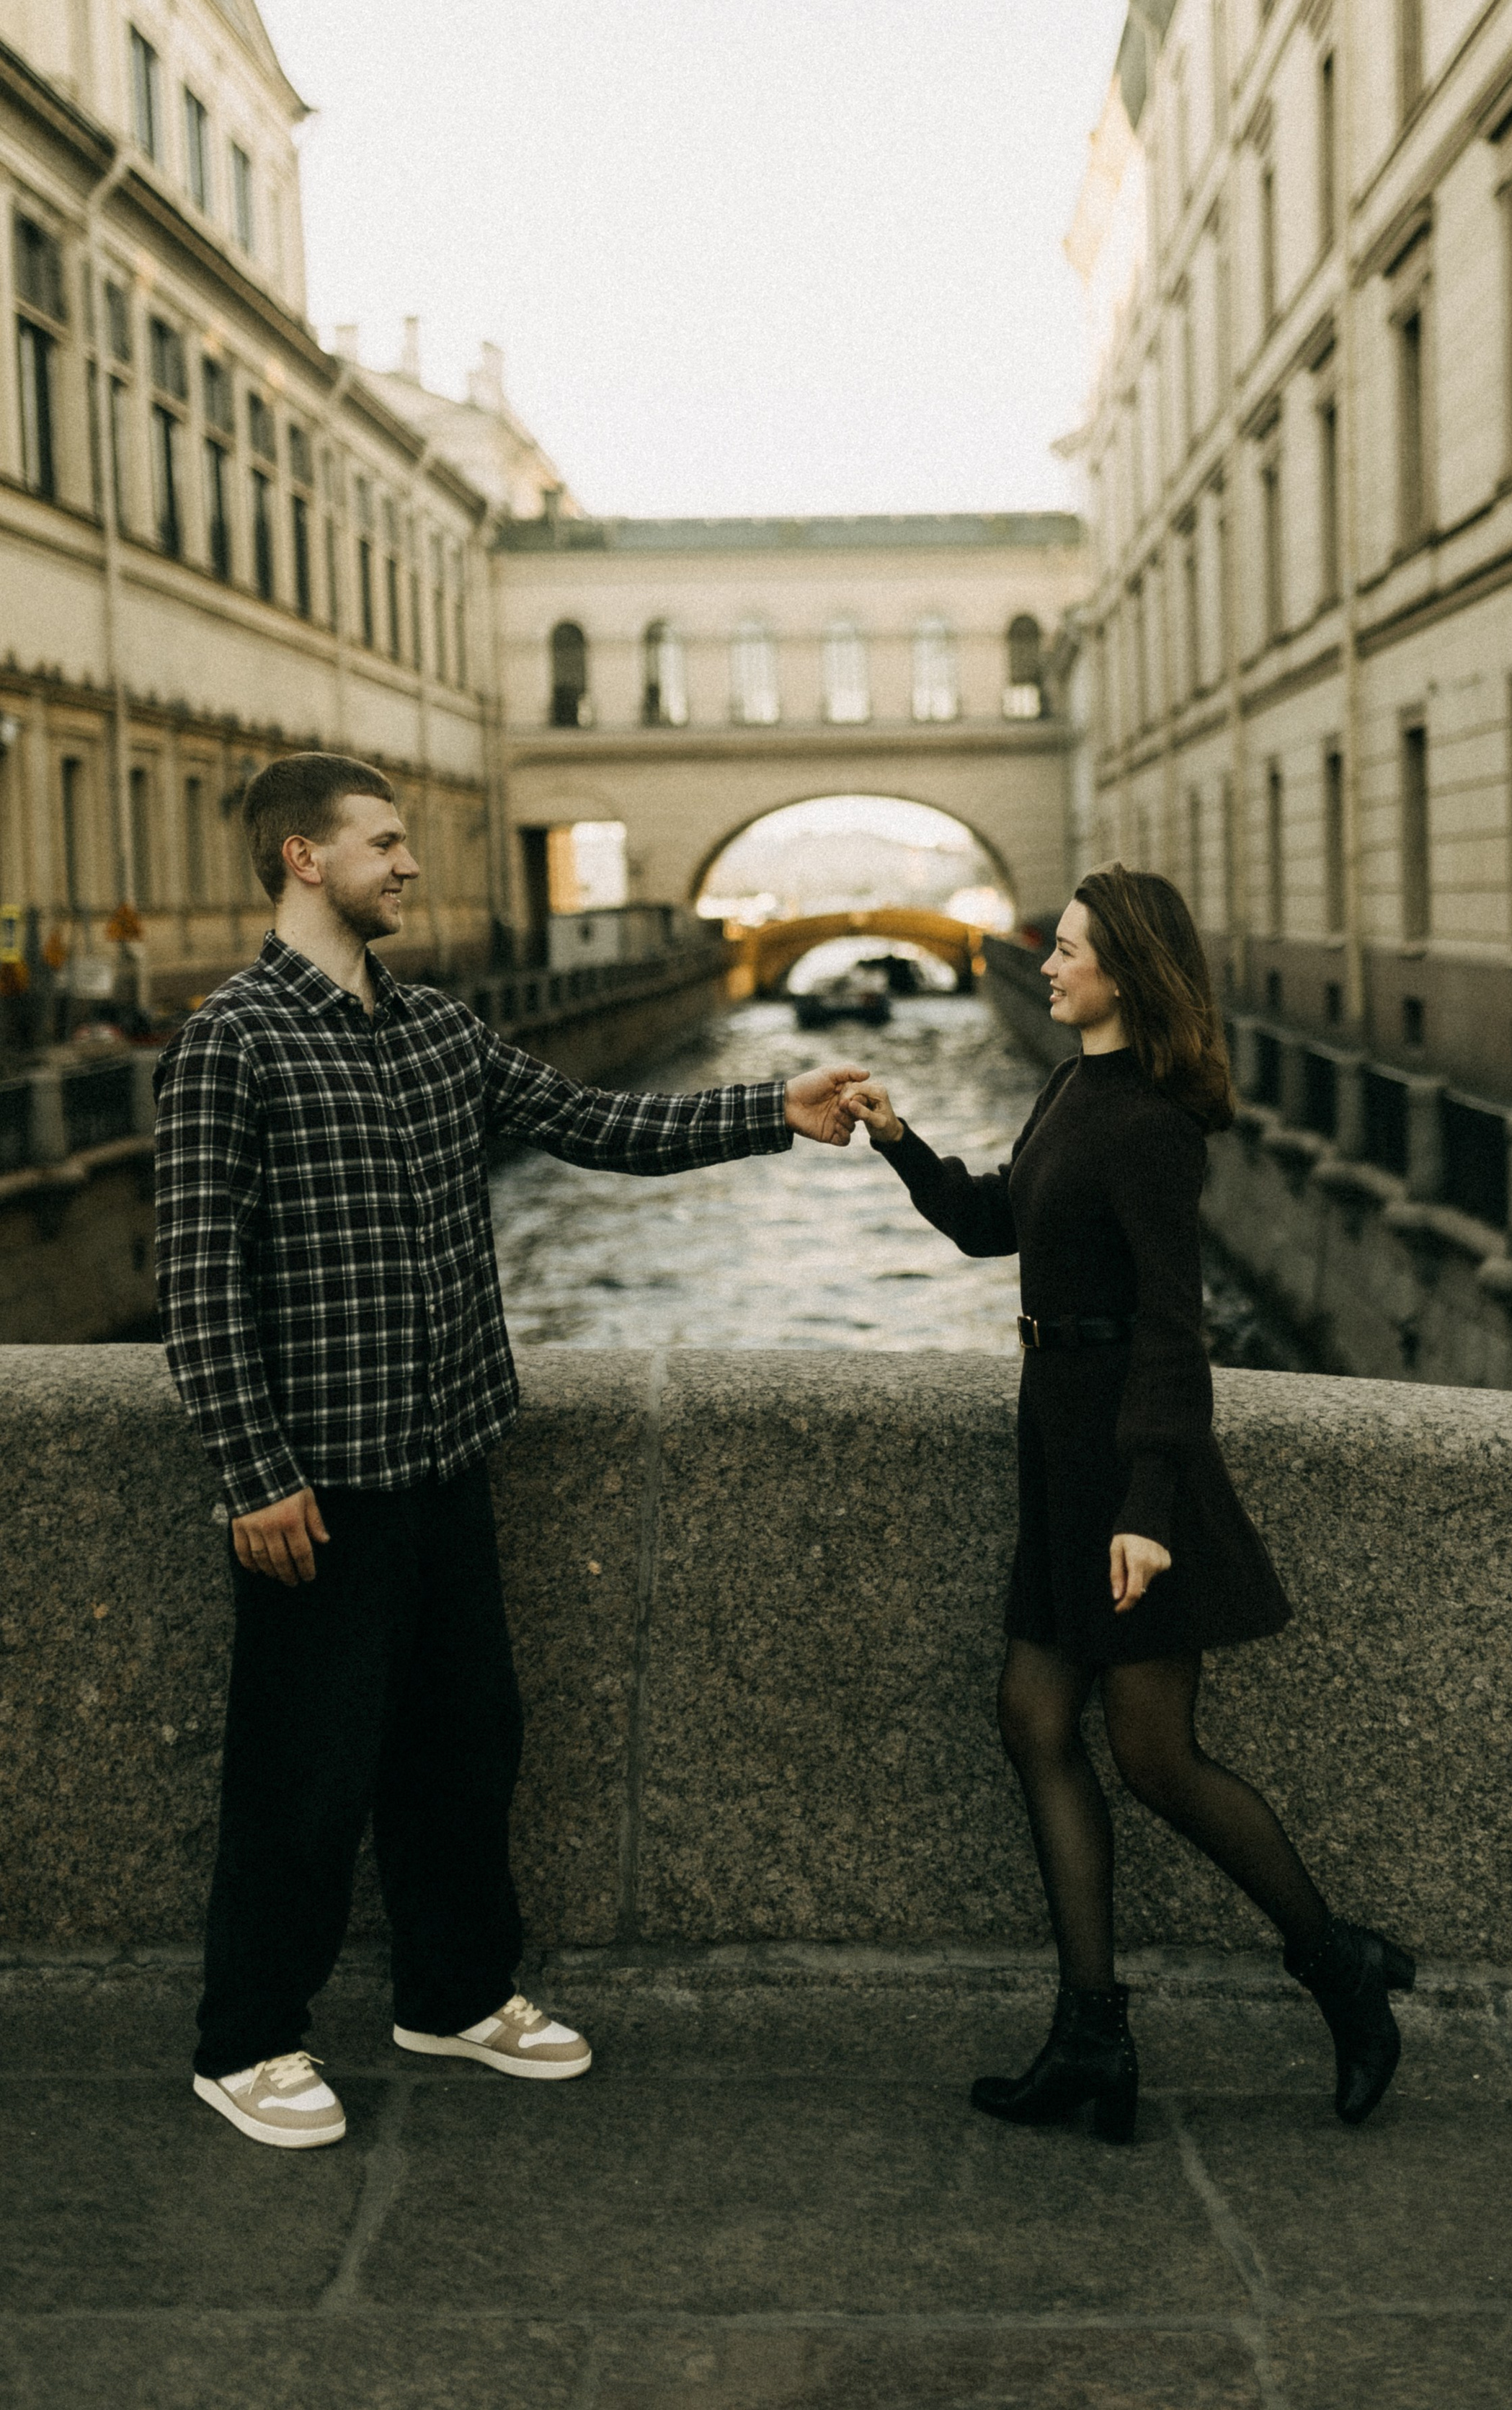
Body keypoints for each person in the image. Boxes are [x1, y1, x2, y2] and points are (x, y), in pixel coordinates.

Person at [155, 751, 866, 2151]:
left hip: (448, 1457)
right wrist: (254, 1474)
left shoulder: (434, 1030)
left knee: (465, 1745)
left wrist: (770, 1111)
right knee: (302, 1772)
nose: (408, 864)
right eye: (384, 843)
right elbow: (196, 1279)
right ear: (304, 859)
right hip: (321, 1483)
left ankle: (457, 1993)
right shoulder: (230, 1040)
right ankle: (245, 2041)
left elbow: (593, 1125)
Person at [845, 866, 1414, 2140]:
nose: (1044, 965)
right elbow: (1000, 1228)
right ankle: (1091, 2039)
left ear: (1128, 971)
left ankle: (1342, 1967)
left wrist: (1149, 1504)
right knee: (1032, 1717)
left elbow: (1174, 1328)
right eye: (1050, 949)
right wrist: (899, 1140)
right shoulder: (1069, 1088)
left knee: (1155, 1754)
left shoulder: (1153, 1122)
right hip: (1061, 1447)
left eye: (1066, 950)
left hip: (1127, 1467)